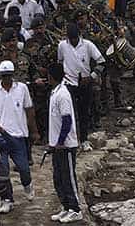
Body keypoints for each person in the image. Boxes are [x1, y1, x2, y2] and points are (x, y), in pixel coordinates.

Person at [0, 60, 38, 213]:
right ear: (0, 75)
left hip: (18, 135)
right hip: (0, 136)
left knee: (23, 168)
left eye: (9, 75)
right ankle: (7, 199)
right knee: (3, 170)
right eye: (4, 75)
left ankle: (27, 185)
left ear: (13, 74)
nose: (7, 78)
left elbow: (29, 110)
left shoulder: (22, 89)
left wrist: (33, 131)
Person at [57, 23, 105, 151]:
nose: (72, 41)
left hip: (85, 82)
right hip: (69, 83)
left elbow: (101, 62)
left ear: (79, 35)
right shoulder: (62, 45)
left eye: (74, 38)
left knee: (84, 113)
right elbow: (60, 62)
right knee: (69, 113)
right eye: (70, 39)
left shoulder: (88, 45)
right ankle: (70, 141)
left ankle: (84, 139)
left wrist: (91, 76)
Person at [46, 63, 83, 223]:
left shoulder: (63, 95)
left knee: (68, 177)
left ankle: (76, 209)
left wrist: (61, 141)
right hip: (56, 145)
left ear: (51, 76)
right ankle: (66, 206)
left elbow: (67, 120)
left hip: (66, 145)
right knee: (58, 178)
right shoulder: (55, 93)